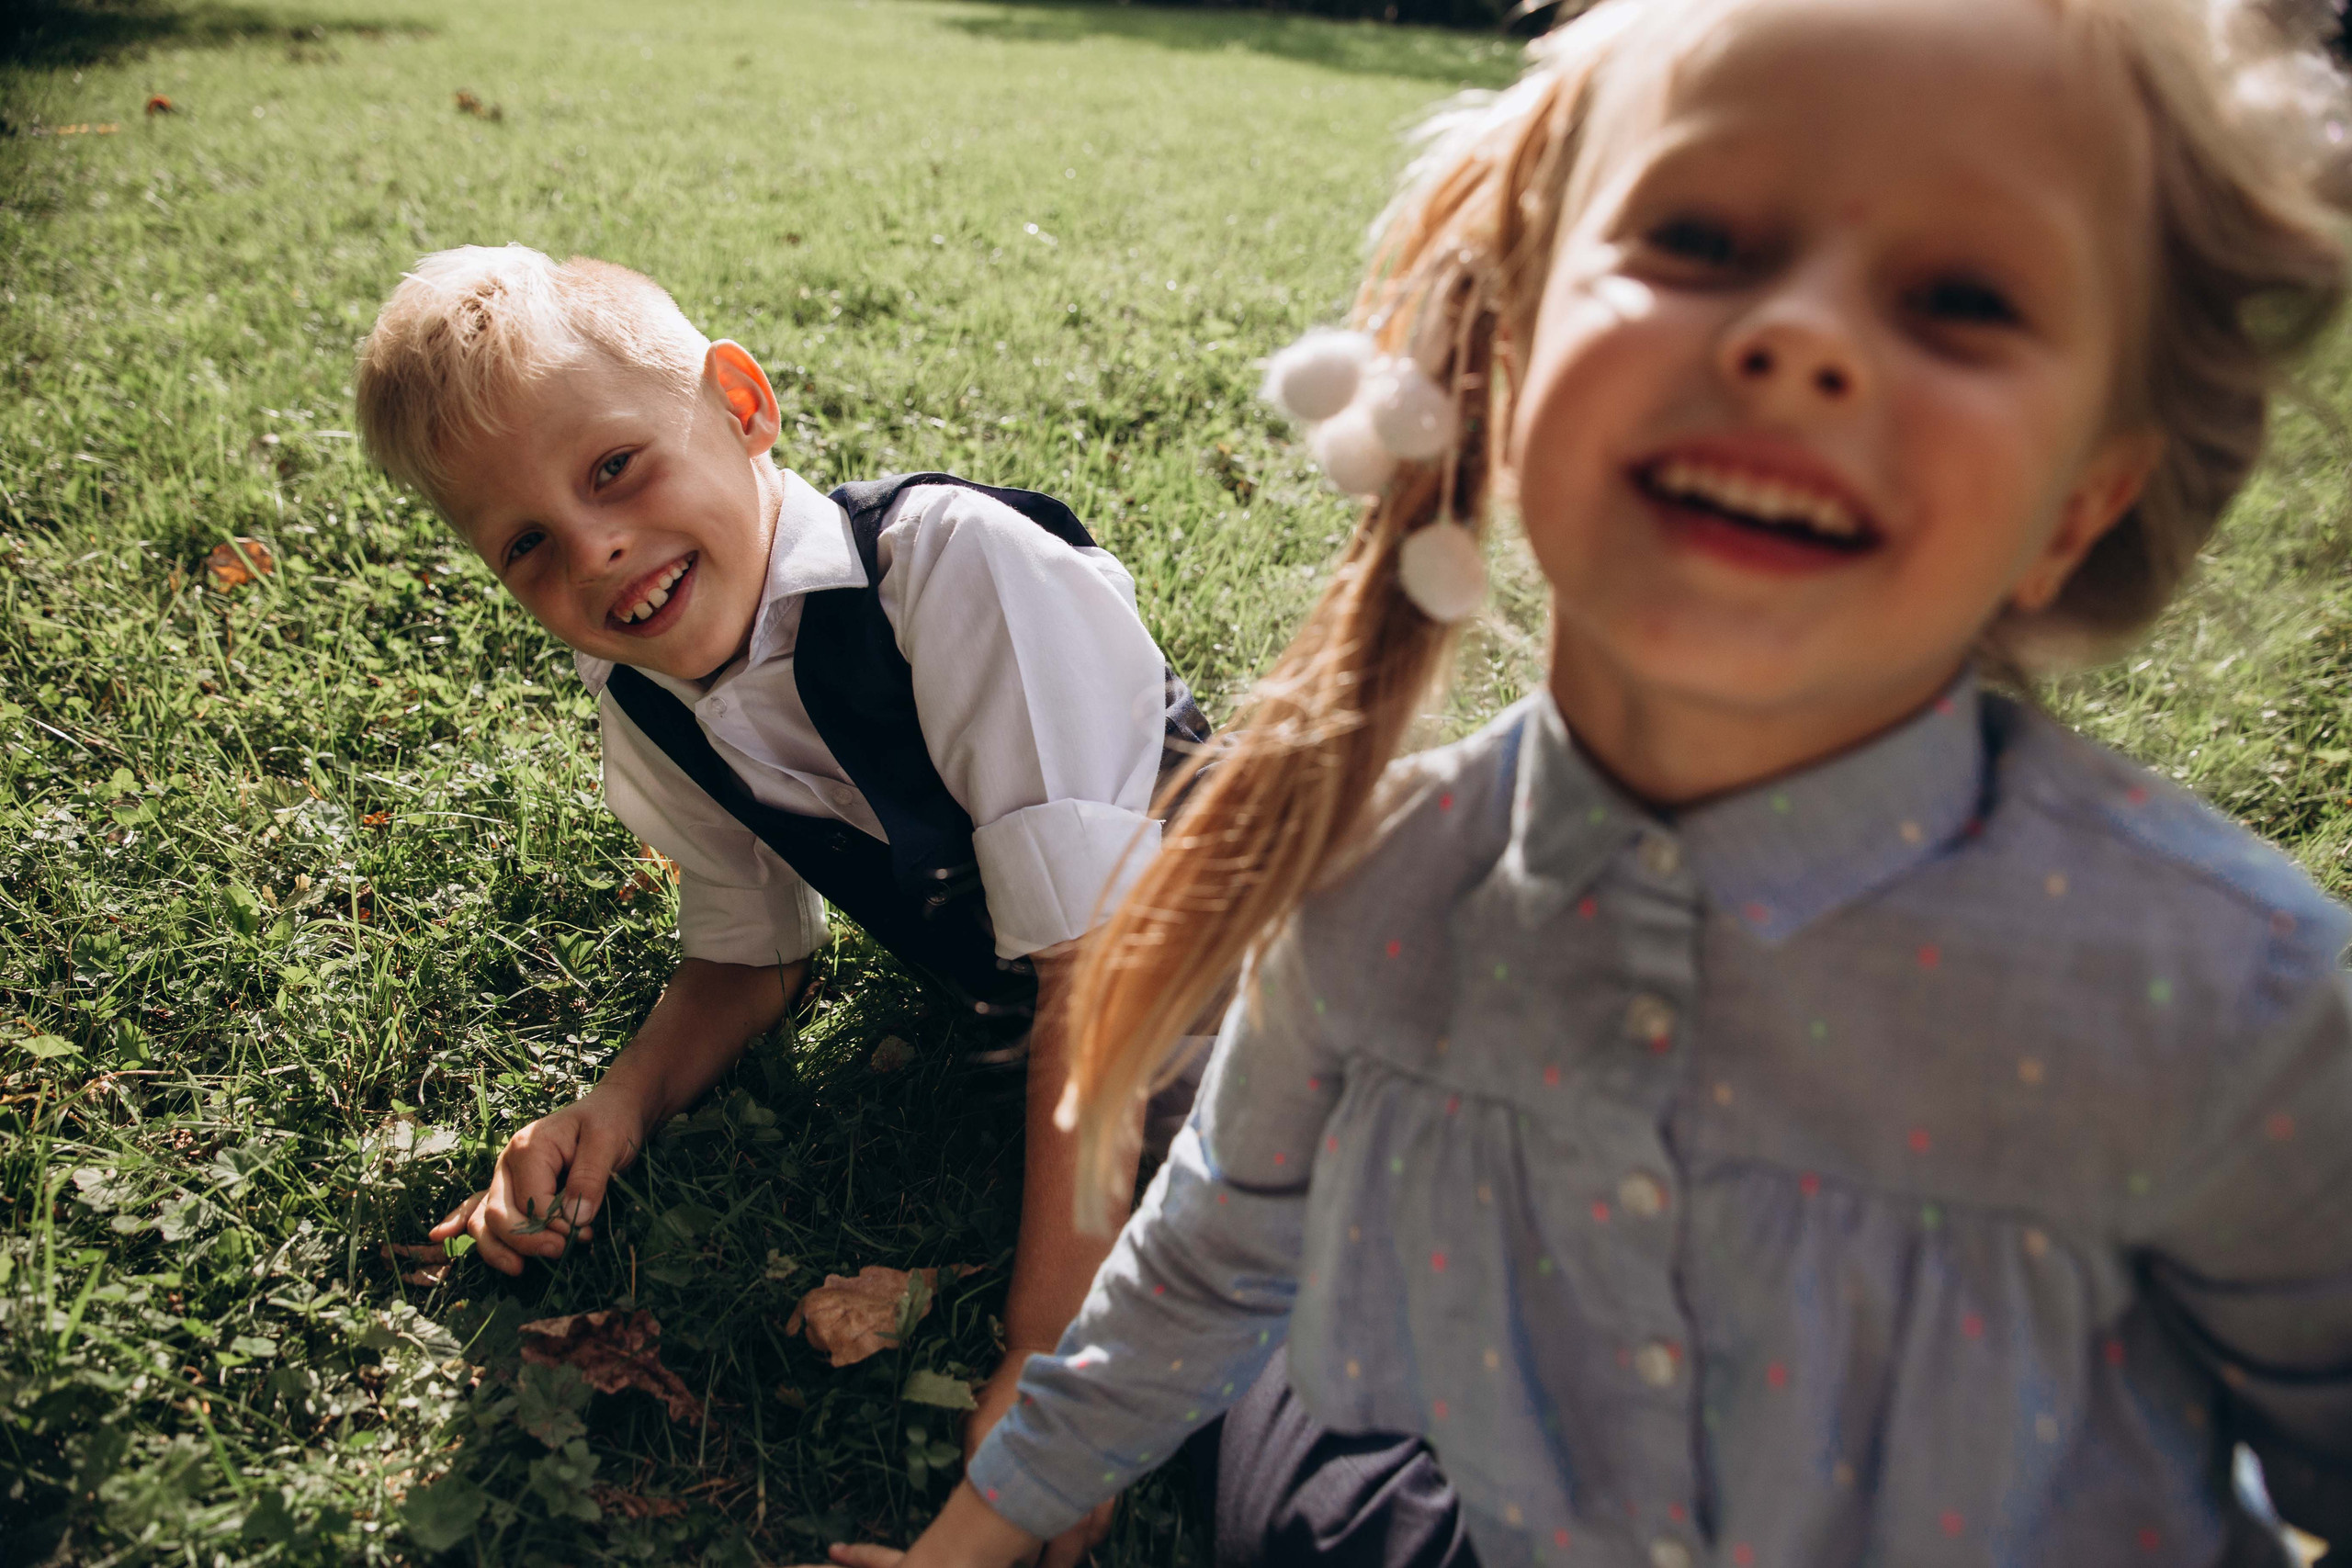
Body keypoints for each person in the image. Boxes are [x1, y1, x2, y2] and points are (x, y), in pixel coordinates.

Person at [816, 0, 2352, 1562]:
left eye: (1963, 297)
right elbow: (1203, 1276)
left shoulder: (2225, 1001)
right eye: (1699, 236)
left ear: (2084, 497)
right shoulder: (1377, 886)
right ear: (1514, 339)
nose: (1801, 336)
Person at [351, 246, 1202, 1561]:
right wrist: (616, 1102)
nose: (597, 551)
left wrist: (1049, 1356)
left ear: (743, 404)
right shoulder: (642, 693)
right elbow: (751, 956)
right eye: (525, 543)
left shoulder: (954, 571)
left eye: (615, 468)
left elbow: (1101, 983)